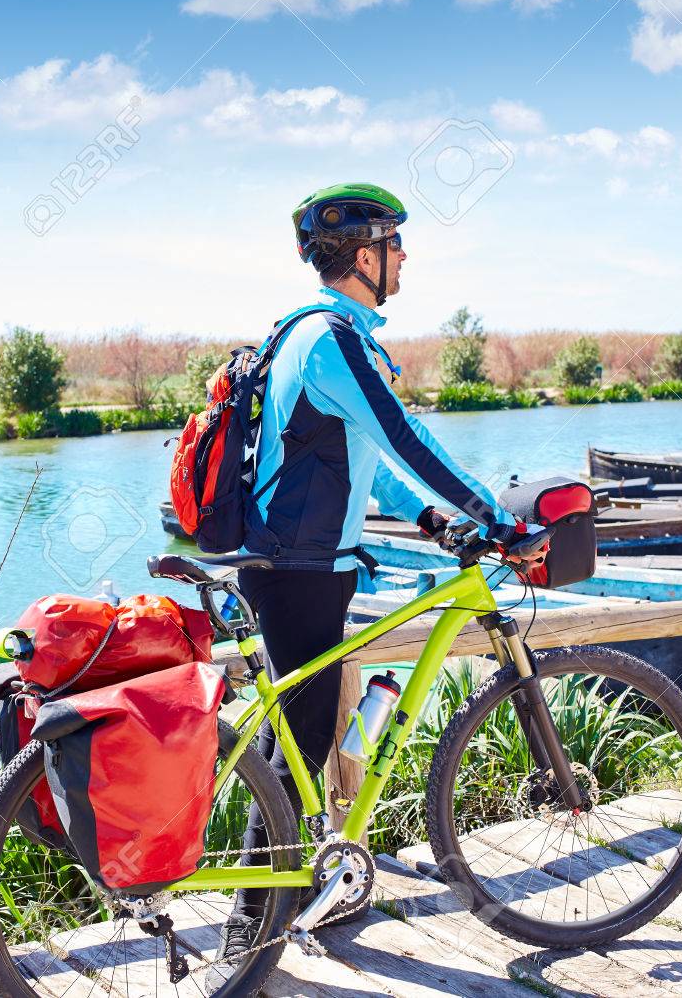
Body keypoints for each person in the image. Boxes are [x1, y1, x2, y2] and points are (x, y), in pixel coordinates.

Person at [211, 182, 547, 979]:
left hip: (300, 566)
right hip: (298, 571)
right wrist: (491, 516)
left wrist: (432, 521)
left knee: (302, 730)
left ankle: (299, 891)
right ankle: (248, 929)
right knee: (297, 735)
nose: (404, 257)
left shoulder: (308, 335)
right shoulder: (333, 340)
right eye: (395, 245)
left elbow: (358, 457)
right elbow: (402, 435)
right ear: (364, 257)